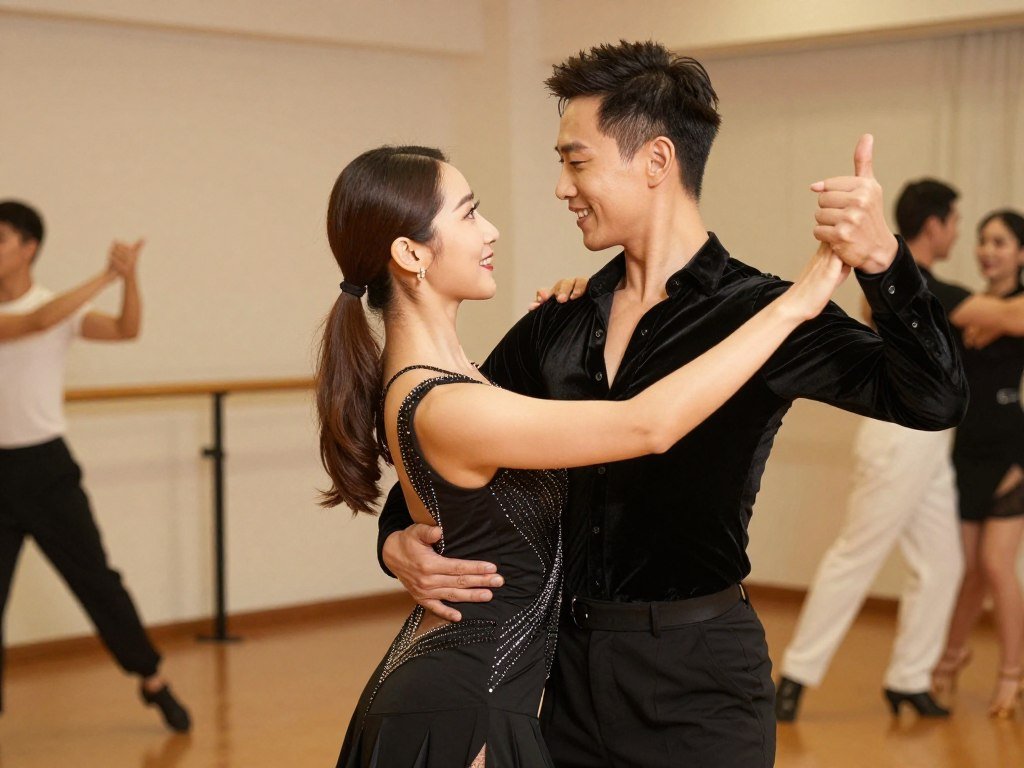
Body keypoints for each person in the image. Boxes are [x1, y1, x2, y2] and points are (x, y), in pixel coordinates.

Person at [374, 42, 967, 767]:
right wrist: (398, 538)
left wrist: (882, 264)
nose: (561, 186)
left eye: (576, 160)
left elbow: (934, 399)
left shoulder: (762, 313)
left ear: (655, 162)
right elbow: (446, 444)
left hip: (701, 679)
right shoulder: (556, 323)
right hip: (562, 678)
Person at [324, 144, 850, 767]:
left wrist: (588, 303)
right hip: (466, 705)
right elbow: (647, 426)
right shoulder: (449, 406)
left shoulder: (460, 383)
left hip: (478, 690)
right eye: (469, 215)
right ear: (411, 254)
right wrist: (795, 303)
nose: (490, 230)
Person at [774, 181, 1024, 721]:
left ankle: (909, 679)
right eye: (957, 223)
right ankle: (795, 674)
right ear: (934, 226)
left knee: (942, 563)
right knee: (858, 553)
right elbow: (1009, 317)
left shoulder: (933, 286)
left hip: (935, 445)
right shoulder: (914, 281)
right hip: (899, 438)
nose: (961, 234)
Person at [0, 200, 190, 733]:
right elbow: (37, 322)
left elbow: (127, 329)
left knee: (97, 582)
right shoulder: (46, 310)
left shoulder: (57, 306)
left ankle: (152, 677)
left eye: (0, 240)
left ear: (29, 248)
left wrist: (128, 280)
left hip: (45, 470)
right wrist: (105, 273)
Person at [935, 209, 1024, 718]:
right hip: (965, 448)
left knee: (996, 565)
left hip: (1013, 450)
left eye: (1001, 242)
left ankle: (1011, 672)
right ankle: (952, 654)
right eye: (983, 240)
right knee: (969, 571)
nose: (988, 250)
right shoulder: (969, 304)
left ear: (1021, 252)